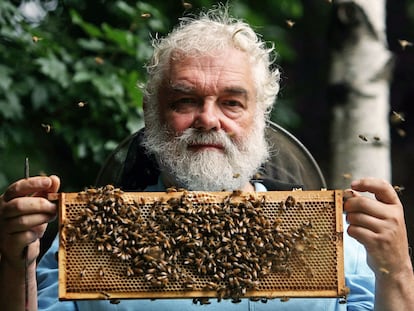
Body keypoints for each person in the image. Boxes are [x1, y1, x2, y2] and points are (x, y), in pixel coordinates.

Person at [1, 5, 413, 311]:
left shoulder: (334, 237)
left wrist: (397, 269)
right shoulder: (88, 238)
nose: (208, 119)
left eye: (231, 102)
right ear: (152, 114)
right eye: (186, 100)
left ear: (259, 116)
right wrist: (15, 262)